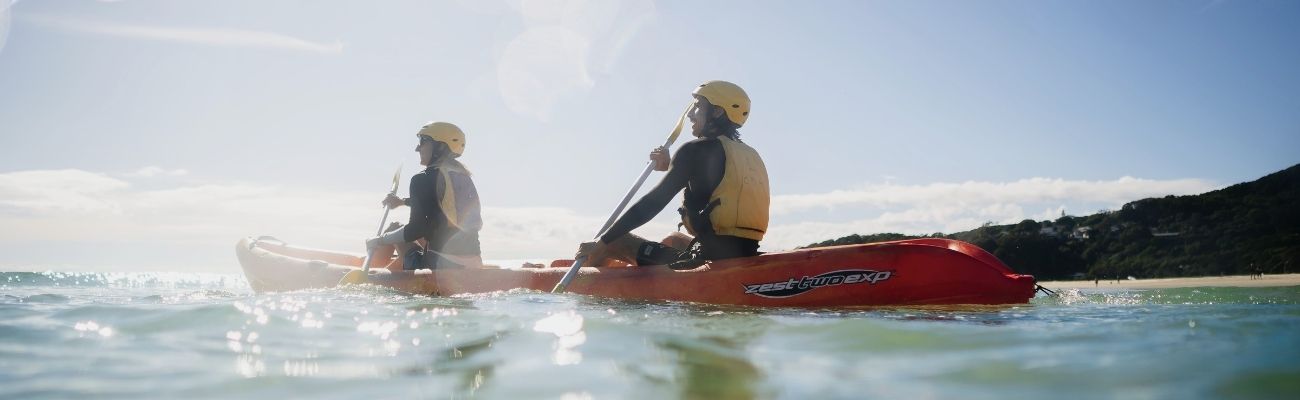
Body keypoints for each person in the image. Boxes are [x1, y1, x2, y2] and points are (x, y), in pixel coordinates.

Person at [576, 80, 769, 269]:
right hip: (745, 251)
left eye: (698, 107)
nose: (691, 115)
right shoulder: (750, 154)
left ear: (717, 111)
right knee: (673, 239)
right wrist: (672, 167)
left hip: (707, 259)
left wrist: (601, 242)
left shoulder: (693, 150)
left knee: (615, 241)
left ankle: (592, 280)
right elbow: (713, 184)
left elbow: (653, 203)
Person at [366, 122, 483, 270]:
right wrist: (402, 202)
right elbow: (439, 205)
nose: (417, 148)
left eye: (422, 142)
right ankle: (389, 269)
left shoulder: (421, 178)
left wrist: (379, 241)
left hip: (440, 267)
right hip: (474, 264)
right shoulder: (463, 177)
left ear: (439, 146)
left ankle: (373, 271)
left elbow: (415, 229)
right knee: (428, 235)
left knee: (393, 228)